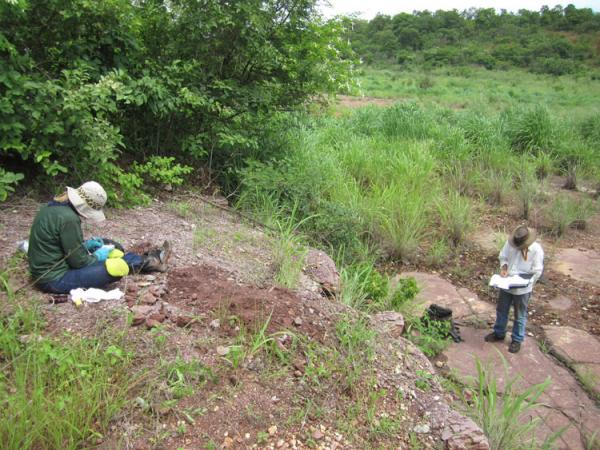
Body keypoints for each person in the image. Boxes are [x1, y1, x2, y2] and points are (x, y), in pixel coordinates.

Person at [27, 181, 171, 294]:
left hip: (48, 269)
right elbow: (79, 262)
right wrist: (98, 256)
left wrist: (87, 246)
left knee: (111, 246)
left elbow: (59, 245)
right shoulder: (69, 219)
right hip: (54, 279)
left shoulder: (52, 207)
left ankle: (146, 261)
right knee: (116, 267)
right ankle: (152, 262)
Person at [484, 225, 544, 353]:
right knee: (501, 310)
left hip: (522, 289)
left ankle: (517, 339)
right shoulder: (510, 243)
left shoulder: (536, 250)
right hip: (506, 284)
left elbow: (537, 271)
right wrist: (504, 267)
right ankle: (499, 333)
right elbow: (503, 257)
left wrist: (527, 283)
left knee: (520, 314)